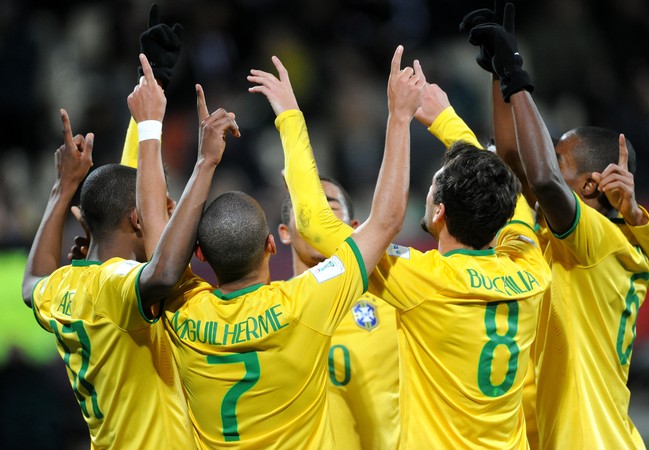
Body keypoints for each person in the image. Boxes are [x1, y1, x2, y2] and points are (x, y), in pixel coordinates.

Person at [133, 45, 418, 449]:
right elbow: (387, 220)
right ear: (274, 243)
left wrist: (161, 135)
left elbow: (156, 235)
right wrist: (399, 116)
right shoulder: (303, 303)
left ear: (198, 254)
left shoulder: (183, 307)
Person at [273, 48, 551, 447]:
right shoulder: (529, 266)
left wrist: (290, 116)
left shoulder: (423, 281)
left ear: (439, 213)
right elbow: (504, 191)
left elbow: (317, 225)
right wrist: (445, 119)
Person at [466, 4, 649, 448]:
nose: (542, 159)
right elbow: (518, 164)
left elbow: (542, 177)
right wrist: (497, 73)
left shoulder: (597, 239)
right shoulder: (586, 239)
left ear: (589, 185)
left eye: (557, 155)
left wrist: (516, 72)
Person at [21, 54, 197, 449]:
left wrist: (63, 187)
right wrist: (153, 127)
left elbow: (32, 282)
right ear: (137, 221)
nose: (162, 216)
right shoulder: (117, 286)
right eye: (158, 209)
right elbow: (164, 269)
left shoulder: (67, 285)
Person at [277, 176, 400, 450]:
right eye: (306, 209)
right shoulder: (267, 309)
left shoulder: (396, 307)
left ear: (354, 228)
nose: (317, 219)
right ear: (284, 232)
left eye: (329, 208)